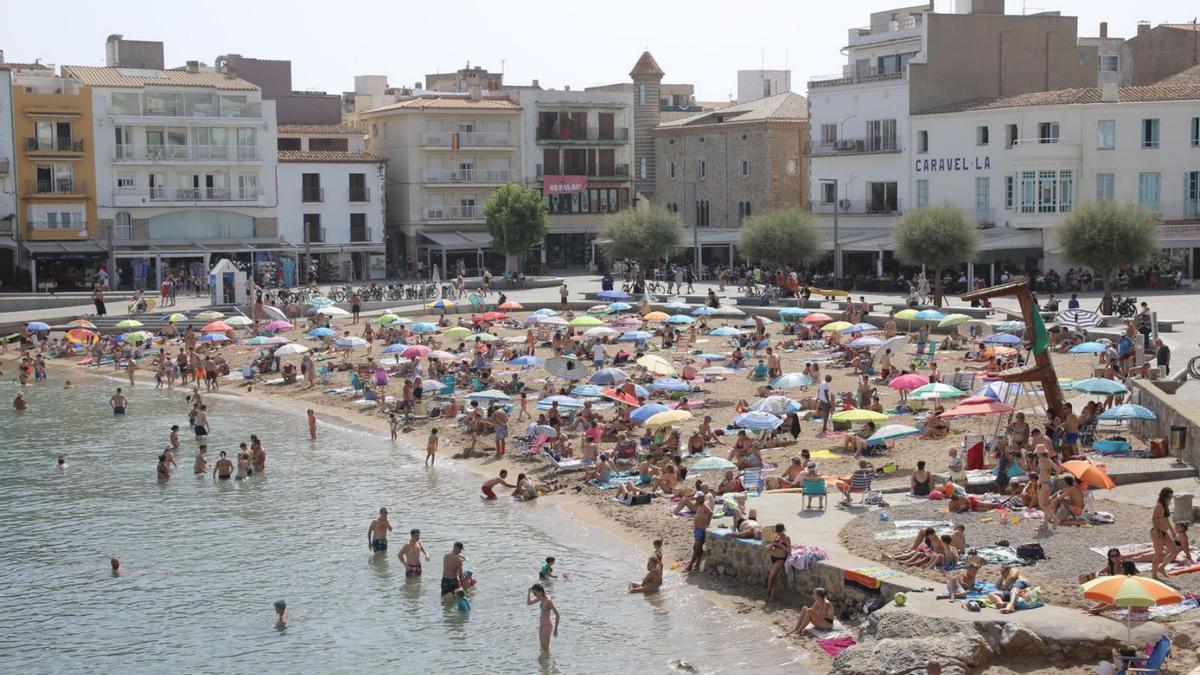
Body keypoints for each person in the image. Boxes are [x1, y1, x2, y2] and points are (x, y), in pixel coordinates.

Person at [1150, 487, 1180, 580]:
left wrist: (1172, 531)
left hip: (1164, 532)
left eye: (1171, 496)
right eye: (1169, 496)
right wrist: (1156, 532)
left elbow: (1166, 519)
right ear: (1164, 496)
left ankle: (1161, 567)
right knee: (1158, 554)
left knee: (1174, 551)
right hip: (1157, 532)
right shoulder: (1159, 505)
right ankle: (1154, 575)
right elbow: (1154, 518)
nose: (1171, 498)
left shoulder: (1165, 505)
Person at [683, 493, 714, 573]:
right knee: (699, 548)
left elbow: (710, 513)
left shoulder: (704, 505)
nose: (696, 499)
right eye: (696, 498)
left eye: (698, 498)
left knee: (696, 547)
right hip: (698, 529)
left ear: (702, 498)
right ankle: (697, 565)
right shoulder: (699, 506)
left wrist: (707, 524)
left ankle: (690, 565)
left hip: (701, 529)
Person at [527, 583, 560, 652]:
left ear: (541, 591)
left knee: (545, 649)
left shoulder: (548, 600)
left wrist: (556, 629)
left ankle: (551, 661)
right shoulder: (541, 598)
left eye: (535, 593)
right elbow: (529, 603)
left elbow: (557, 614)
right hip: (541, 626)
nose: (535, 595)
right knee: (542, 648)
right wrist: (529, 592)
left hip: (547, 626)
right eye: (534, 594)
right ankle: (545, 662)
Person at [766, 523, 791, 602]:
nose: (778, 533)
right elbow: (769, 549)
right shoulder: (776, 537)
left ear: (783, 530)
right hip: (773, 557)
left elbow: (789, 550)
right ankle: (772, 596)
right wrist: (772, 544)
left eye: (779, 532)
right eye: (777, 532)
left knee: (771, 576)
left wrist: (781, 546)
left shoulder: (787, 538)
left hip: (780, 558)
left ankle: (768, 590)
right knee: (774, 577)